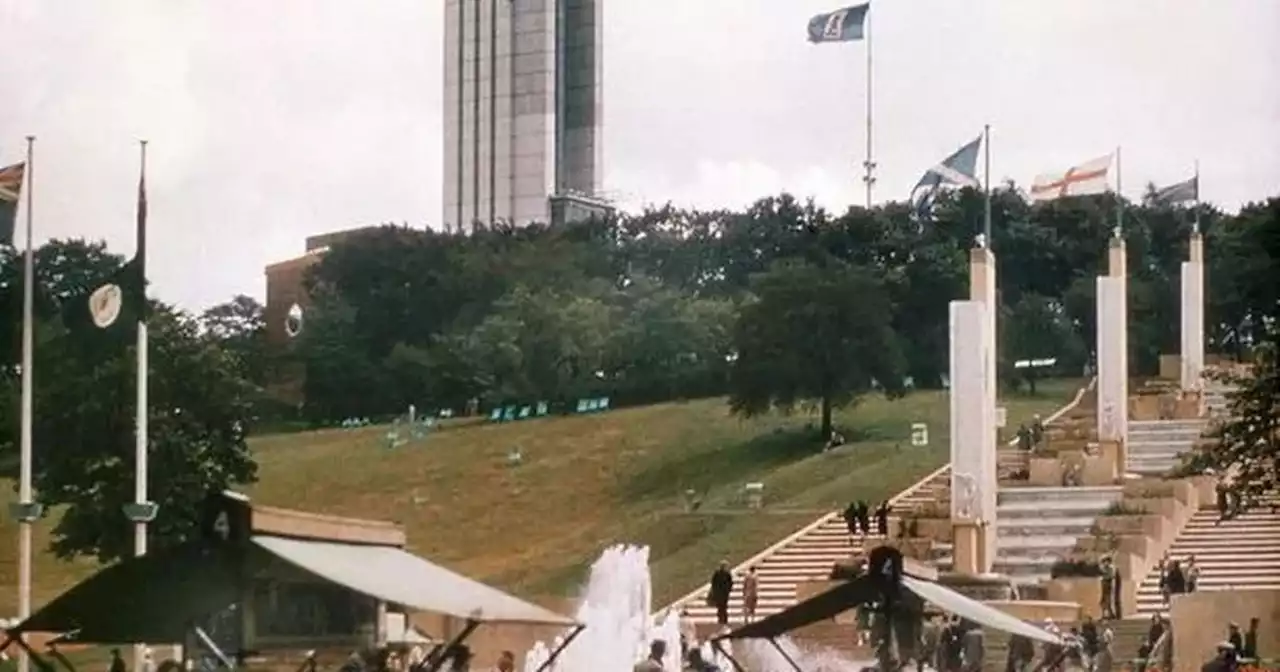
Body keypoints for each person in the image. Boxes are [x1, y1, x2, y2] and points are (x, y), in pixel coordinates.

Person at [708, 561, 733, 626]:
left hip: (721, 593)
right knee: (722, 607)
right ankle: (723, 619)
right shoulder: (724, 574)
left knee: (722, 607)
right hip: (721, 593)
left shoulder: (724, 574)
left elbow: (713, 582)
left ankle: (722, 619)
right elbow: (730, 583)